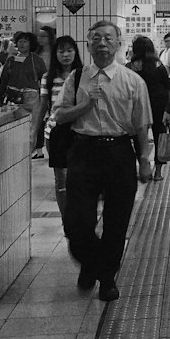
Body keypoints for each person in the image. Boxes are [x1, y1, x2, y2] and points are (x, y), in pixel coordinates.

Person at [54, 20, 153, 301]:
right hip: (83, 152)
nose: (102, 43)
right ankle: (92, 261)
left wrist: (144, 160)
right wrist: (85, 104)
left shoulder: (133, 81)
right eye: (96, 38)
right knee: (77, 222)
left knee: (116, 221)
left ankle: (107, 278)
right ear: (88, 44)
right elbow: (60, 116)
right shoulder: (76, 78)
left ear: (118, 44)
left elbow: (141, 126)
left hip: (119, 153)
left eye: (108, 38)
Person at [43, 36, 84, 231]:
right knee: (61, 180)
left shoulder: (84, 76)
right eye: (61, 51)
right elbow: (42, 106)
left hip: (79, 131)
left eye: (69, 51)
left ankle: (80, 218)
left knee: (80, 177)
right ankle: (67, 222)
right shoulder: (48, 78)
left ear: (75, 52)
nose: (65, 55)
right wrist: (34, 133)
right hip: (55, 133)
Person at [0, 31, 47, 156]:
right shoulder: (11, 60)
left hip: (32, 100)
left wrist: (46, 101)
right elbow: (3, 81)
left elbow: (45, 80)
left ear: (31, 44)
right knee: (13, 129)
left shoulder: (37, 60)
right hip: (12, 99)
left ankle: (33, 151)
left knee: (32, 128)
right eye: (20, 41)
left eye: (25, 41)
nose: (22, 44)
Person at [129, 35, 170, 182]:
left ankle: (143, 167)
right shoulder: (159, 65)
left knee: (139, 137)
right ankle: (158, 172)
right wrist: (168, 109)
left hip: (138, 106)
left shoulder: (130, 67)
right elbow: (167, 87)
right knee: (160, 136)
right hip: (158, 104)